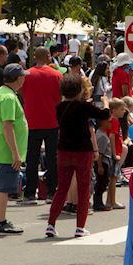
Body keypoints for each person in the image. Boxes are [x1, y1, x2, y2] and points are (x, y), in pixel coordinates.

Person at [46, 74, 103, 238]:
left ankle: (51, 224)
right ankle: (80, 227)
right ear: (80, 90)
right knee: (83, 189)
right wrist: (105, 103)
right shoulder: (84, 107)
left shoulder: (59, 107)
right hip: (82, 151)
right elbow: (101, 118)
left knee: (61, 188)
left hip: (64, 150)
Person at [0, 64, 28, 235]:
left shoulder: (1, 93)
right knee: (3, 187)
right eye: (23, 76)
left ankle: (1, 221)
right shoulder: (8, 97)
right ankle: (1, 222)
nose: (24, 79)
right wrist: (15, 153)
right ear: (18, 78)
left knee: (2, 186)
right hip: (6, 150)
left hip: (0, 147)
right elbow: (7, 126)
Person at [21, 48, 62, 203]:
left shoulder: (27, 74)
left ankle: (30, 192)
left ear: (34, 57)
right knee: (52, 158)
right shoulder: (56, 74)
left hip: (32, 121)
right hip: (52, 120)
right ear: (48, 56)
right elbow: (60, 96)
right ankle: (52, 192)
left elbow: (22, 93)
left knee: (32, 158)